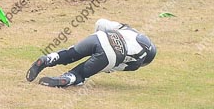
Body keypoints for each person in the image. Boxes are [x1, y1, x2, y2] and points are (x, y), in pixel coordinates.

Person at [26, 19, 156, 87]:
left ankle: (48, 59)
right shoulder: (137, 63)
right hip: (110, 56)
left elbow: (101, 22)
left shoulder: (129, 29)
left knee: (70, 53)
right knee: (80, 74)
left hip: (98, 37)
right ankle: (69, 78)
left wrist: (95, 40)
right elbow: (112, 67)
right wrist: (90, 71)